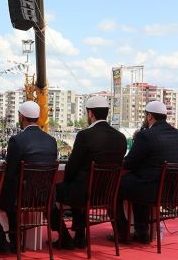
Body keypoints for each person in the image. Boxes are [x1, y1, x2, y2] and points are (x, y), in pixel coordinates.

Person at [50, 96, 127, 250]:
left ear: (90, 114)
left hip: (86, 193)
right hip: (109, 193)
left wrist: (68, 183)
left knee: (55, 192)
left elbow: (72, 167)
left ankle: (68, 237)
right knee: (78, 187)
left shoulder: (85, 136)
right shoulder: (121, 138)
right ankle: (79, 235)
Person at [0, 101, 57, 254]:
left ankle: (6, 242)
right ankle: (12, 242)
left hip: (21, 198)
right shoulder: (51, 140)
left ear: (21, 116)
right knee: (11, 192)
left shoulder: (17, 140)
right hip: (45, 197)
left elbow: (10, 174)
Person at [114, 100, 178, 243]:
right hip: (171, 191)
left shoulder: (146, 135)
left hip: (152, 190)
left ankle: (123, 233)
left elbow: (130, 163)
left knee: (115, 187)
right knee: (136, 183)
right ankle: (141, 232)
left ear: (149, 116)